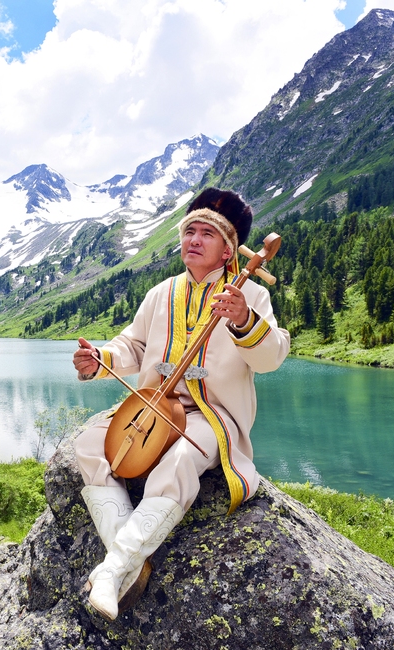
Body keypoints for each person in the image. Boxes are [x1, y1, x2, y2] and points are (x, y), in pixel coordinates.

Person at [72, 187, 290, 621]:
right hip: (154, 406)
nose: (193, 239)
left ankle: (112, 570)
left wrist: (243, 319)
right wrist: (100, 359)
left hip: (213, 414)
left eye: (207, 233)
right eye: (190, 231)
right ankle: (130, 562)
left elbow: (272, 358)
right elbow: (133, 346)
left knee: (180, 460)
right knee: (90, 446)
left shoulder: (249, 295)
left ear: (229, 250)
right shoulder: (162, 292)